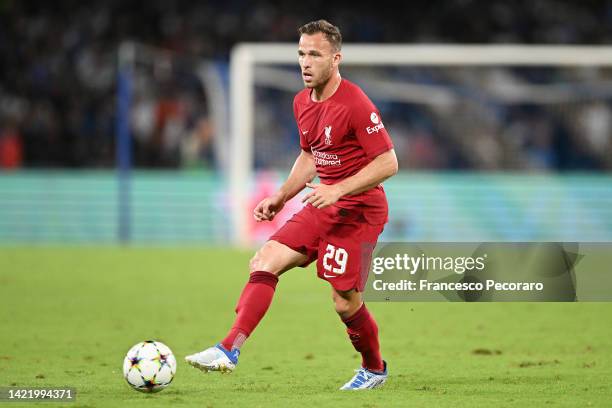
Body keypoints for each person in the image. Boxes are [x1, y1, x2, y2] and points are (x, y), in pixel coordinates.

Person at [186, 19, 398, 390]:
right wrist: (281, 196)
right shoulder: (301, 102)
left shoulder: (356, 103)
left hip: (359, 211)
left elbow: (388, 163)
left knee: (344, 302)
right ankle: (229, 349)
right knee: (265, 258)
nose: (305, 62)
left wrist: (339, 189)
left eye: (314, 54)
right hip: (323, 203)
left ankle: (374, 368)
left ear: (336, 58)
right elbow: (310, 156)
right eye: (301, 53)